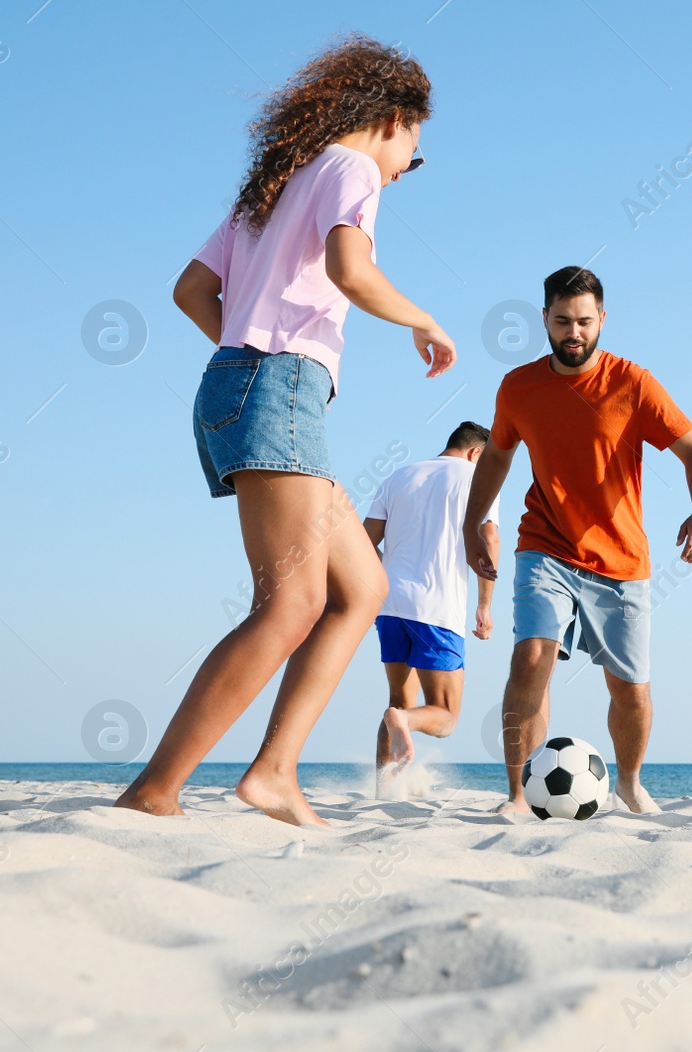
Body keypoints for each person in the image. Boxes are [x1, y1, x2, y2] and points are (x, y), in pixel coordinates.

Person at [116, 37, 458, 826]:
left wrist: (244, 349)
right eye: (416, 147)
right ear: (395, 119)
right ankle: (155, 788)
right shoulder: (353, 170)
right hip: (282, 386)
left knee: (362, 588)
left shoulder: (270, 188)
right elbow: (350, 270)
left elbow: (189, 290)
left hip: (247, 384)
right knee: (291, 604)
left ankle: (274, 770)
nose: (409, 163)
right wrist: (425, 321)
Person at [461, 267, 692, 815]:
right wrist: (471, 523)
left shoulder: (633, 383)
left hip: (622, 560)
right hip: (544, 544)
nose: (572, 333)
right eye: (560, 322)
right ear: (545, 321)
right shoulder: (518, 387)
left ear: (602, 320)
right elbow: (500, 456)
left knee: (631, 690)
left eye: (583, 321)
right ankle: (515, 794)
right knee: (532, 658)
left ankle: (628, 781)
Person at [366, 421, 500, 792]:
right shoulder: (480, 478)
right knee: (445, 715)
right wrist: (485, 605)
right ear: (477, 453)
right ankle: (403, 722)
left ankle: (383, 791)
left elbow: (364, 542)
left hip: (390, 605)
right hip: (438, 609)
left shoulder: (399, 475)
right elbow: (489, 539)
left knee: (398, 700)